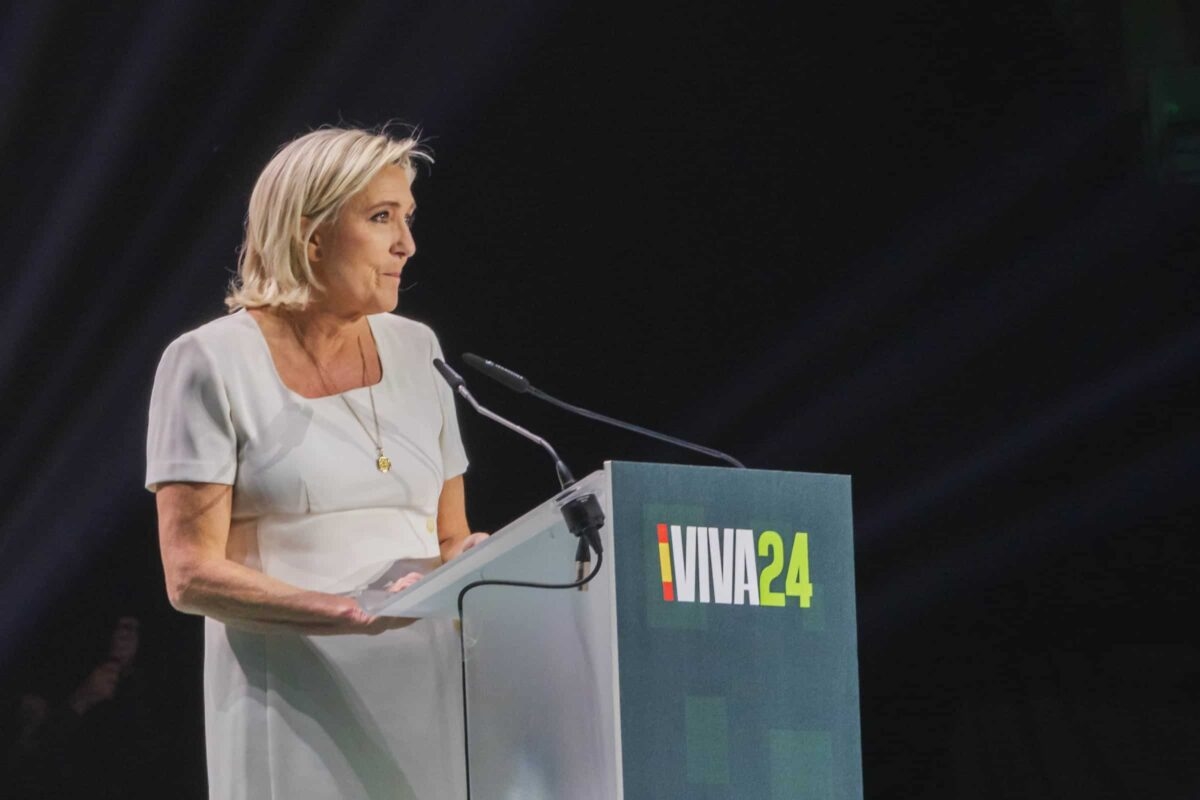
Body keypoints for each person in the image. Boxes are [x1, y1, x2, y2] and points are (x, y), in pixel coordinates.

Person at [146, 126, 487, 800]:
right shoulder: (209, 361)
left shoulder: (419, 349)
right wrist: (345, 611)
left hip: (425, 689)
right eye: (382, 217)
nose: (406, 244)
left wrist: (476, 557)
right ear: (312, 236)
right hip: (290, 700)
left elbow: (450, 538)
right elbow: (190, 576)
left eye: (408, 218)